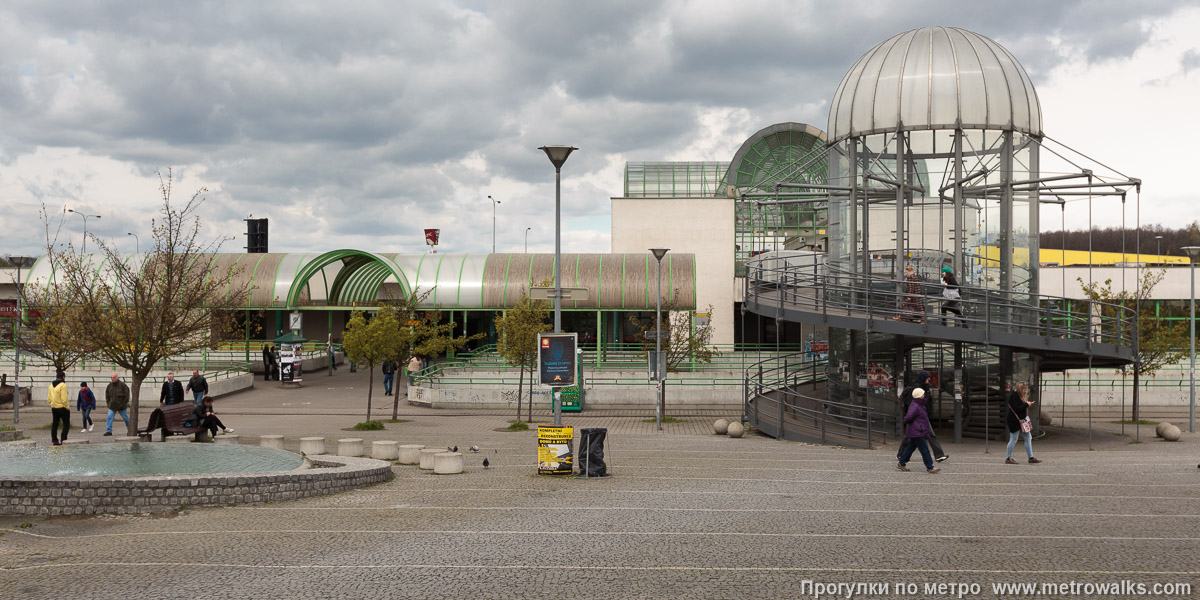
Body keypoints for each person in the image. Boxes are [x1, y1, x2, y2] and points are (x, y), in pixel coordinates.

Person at [896, 370, 948, 462]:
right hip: (916, 417)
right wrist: (911, 416)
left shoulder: (925, 388)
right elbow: (911, 404)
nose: (929, 381)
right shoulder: (914, 389)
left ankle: (939, 455)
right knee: (909, 437)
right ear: (923, 379)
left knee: (930, 435)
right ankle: (901, 455)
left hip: (923, 416)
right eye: (928, 379)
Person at [896, 388, 939, 473]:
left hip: (917, 431)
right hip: (918, 431)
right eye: (923, 394)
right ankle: (930, 467)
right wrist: (916, 425)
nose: (924, 395)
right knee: (924, 450)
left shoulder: (918, 404)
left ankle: (901, 462)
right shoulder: (916, 406)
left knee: (911, 447)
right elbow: (908, 418)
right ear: (919, 396)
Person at [1005, 382, 1042, 464]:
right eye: (1025, 389)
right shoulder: (1014, 396)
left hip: (1021, 421)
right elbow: (1017, 408)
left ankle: (1031, 457)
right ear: (1021, 389)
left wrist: (1027, 404)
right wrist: (1026, 404)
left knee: (1028, 438)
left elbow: (1019, 407)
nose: (1026, 391)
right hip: (1014, 421)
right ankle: (1008, 458)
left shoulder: (1018, 395)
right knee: (1013, 439)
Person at [47, 370, 70, 446]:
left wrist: (52, 404)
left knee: (55, 424)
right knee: (66, 423)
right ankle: (63, 439)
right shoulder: (63, 385)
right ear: (63, 377)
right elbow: (64, 399)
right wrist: (67, 407)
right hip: (62, 407)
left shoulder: (51, 386)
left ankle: (54, 440)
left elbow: (49, 398)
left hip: (54, 407)